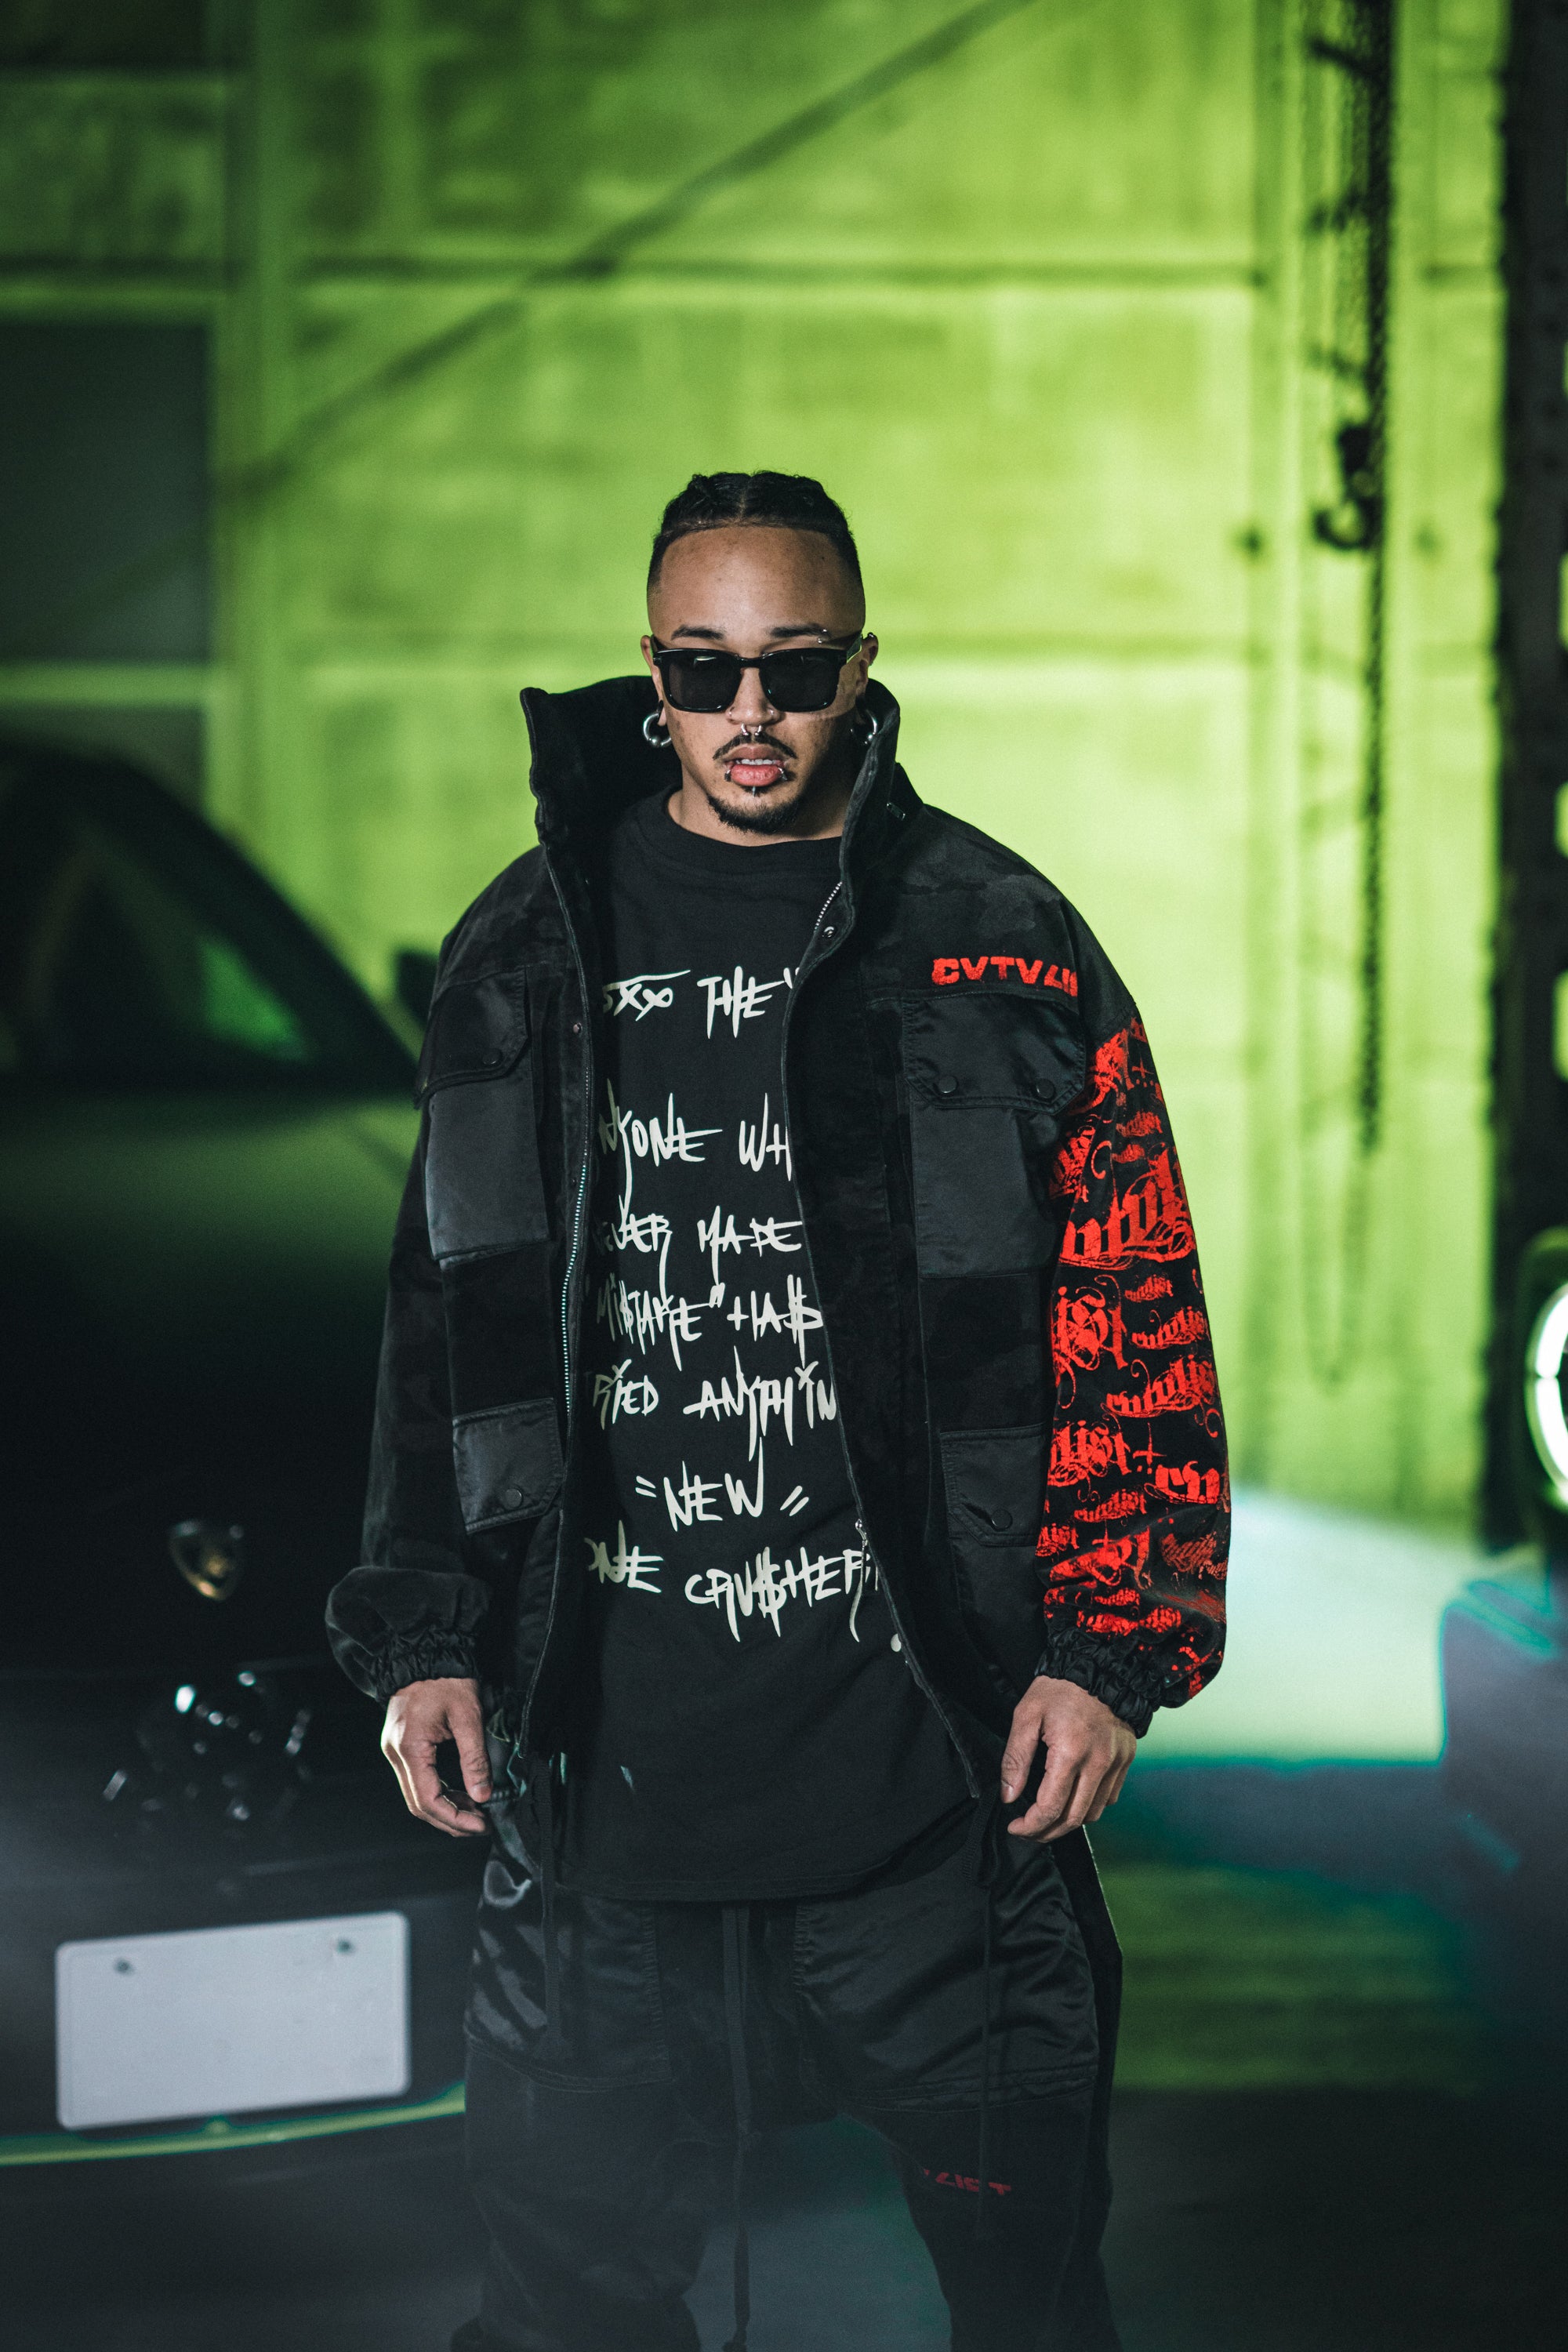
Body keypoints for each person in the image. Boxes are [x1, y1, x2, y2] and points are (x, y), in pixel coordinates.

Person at [327, 470, 1229, 2352]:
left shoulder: (996, 944)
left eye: (794, 669)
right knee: (567, 2315)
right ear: (651, 673)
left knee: (1028, 2310)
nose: (750, 713)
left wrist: (1109, 1648)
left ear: (863, 668)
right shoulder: (527, 948)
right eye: (703, 668)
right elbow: (445, 1314)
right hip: (600, 1817)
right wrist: (425, 1634)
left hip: (933, 1803)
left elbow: (1132, 1296)